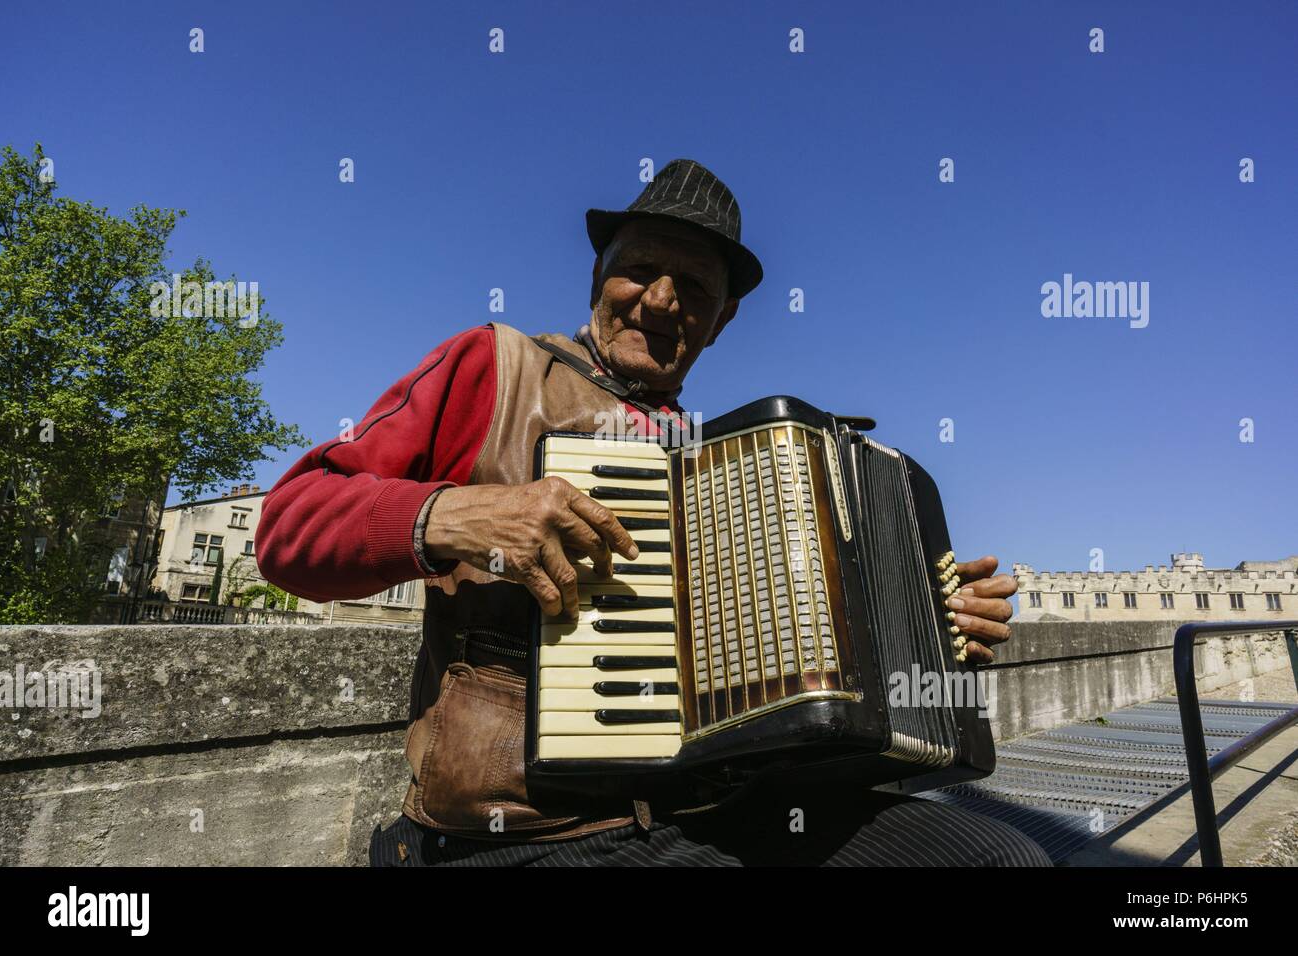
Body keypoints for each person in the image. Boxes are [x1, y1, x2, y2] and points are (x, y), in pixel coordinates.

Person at [256, 159, 1050, 866]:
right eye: (639, 271)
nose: (662, 301)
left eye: (695, 289)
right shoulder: (493, 367)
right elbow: (287, 527)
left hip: (718, 803)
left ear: (721, 319)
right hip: (532, 826)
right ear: (599, 274)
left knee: (997, 854)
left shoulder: (711, 456)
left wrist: (929, 630)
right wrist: (453, 517)